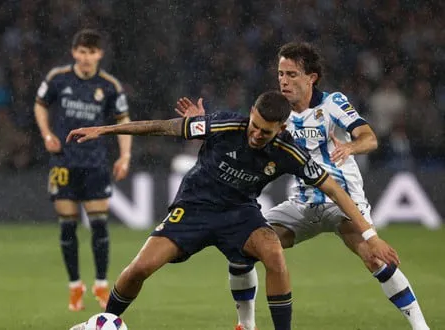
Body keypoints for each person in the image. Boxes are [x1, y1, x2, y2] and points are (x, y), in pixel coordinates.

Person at [67, 91, 399, 330]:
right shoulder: (225, 126)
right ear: (251, 114)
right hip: (195, 207)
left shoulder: (287, 151)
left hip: (240, 214)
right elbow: (164, 127)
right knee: (140, 268)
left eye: (265, 132)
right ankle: (104, 323)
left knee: (274, 254)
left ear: (280, 130)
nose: (255, 135)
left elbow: (334, 188)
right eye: (254, 125)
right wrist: (105, 130)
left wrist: (369, 235)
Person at [177, 42, 430, 330]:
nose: (284, 80)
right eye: (281, 73)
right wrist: (201, 125)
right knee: (242, 246)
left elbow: (369, 137)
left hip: (340, 200)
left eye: (292, 74)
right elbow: (240, 135)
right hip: (301, 204)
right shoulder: (277, 114)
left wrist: (350, 146)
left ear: (311, 78)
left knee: (375, 258)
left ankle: (421, 327)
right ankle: (245, 325)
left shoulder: (332, 103)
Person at [33, 29, 132, 312]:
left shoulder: (109, 85)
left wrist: (125, 156)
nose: (86, 57)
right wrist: (46, 134)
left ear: (99, 54)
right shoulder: (58, 78)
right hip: (63, 161)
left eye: (92, 52)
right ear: (74, 52)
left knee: (99, 225)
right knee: (67, 226)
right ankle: (75, 286)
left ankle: (101, 284)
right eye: (82, 52)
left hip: (95, 163)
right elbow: (39, 105)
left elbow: (124, 120)